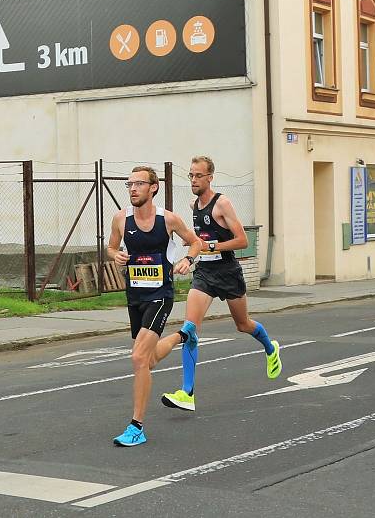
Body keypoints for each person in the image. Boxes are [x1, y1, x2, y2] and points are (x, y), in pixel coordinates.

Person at [160, 156, 282, 412]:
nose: (193, 180)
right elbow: (201, 238)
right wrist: (193, 245)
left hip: (228, 272)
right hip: (205, 273)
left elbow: (242, 241)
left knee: (243, 324)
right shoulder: (194, 205)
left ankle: (271, 348)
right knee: (190, 328)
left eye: (198, 176)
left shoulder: (222, 203)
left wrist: (211, 245)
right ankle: (187, 393)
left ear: (210, 178)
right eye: (191, 175)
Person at [109, 166, 202, 447]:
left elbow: (195, 242)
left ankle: (137, 426)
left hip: (161, 295)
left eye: (139, 183)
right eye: (129, 184)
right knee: (147, 360)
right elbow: (111, 248)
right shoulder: (121, 220)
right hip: (135, 295)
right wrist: (116, 256)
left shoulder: (168, 220)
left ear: (154, 187)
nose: (133, 189)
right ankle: (184, 335)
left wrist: (188, 260)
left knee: (138, 359)